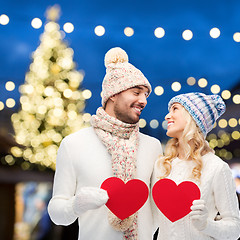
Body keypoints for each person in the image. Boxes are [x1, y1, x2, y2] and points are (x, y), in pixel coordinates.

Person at [48, 47, 163, 240]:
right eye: (136, 92)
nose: (143, 100)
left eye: (145, 95)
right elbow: (56, 212)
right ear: (113, 94)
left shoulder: (153, 146)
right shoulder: (74, 144)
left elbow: (158, 210)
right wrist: (76, 204)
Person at [153, 92, 240, 239]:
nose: (167, 116)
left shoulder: (216, 167)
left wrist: (206, 225)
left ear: (192, 117)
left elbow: (234, 228)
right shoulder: (162, 165)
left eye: (175, 109)